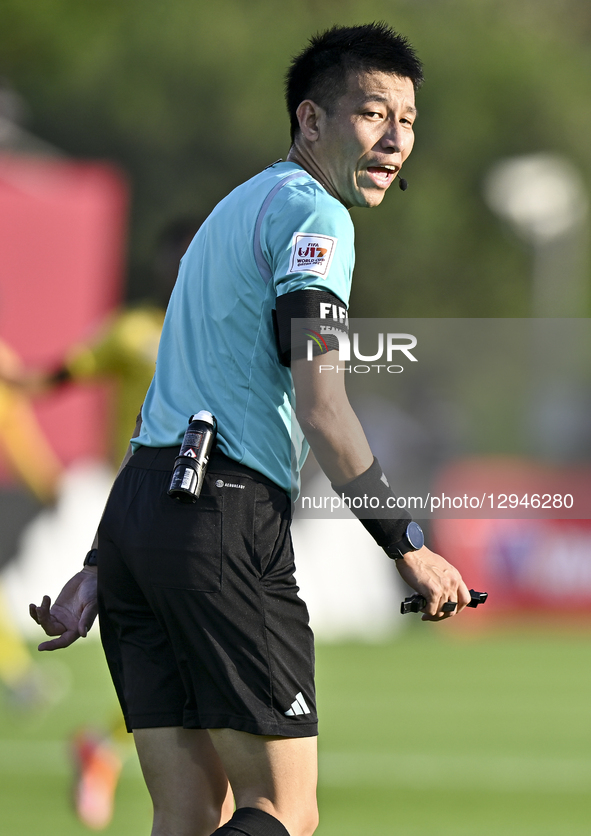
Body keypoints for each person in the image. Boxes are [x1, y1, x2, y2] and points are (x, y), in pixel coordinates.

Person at [30, 23, 471, 836]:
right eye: (372, 114)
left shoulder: (233, 210)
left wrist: (103, 560)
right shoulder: (317, 217)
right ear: (310, 120)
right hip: (221, 519)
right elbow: (322, 405)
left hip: (142, 517)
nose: (395, 139)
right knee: (283, 811)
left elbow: (160, 403)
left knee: (190, 813)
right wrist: (406, 542)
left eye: (408, 120)